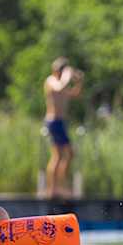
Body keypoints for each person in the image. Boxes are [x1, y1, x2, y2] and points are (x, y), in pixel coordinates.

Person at [43, 57, 83, 198]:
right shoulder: (51, 80)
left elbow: (76, 94)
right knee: (58, 156)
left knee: (67, 155)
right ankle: (53, 189)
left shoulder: (62, 83)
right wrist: (68, 74)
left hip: (60, 123)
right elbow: (59, 87)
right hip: (54, 121)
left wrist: (78, 81)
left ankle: (59, 186)